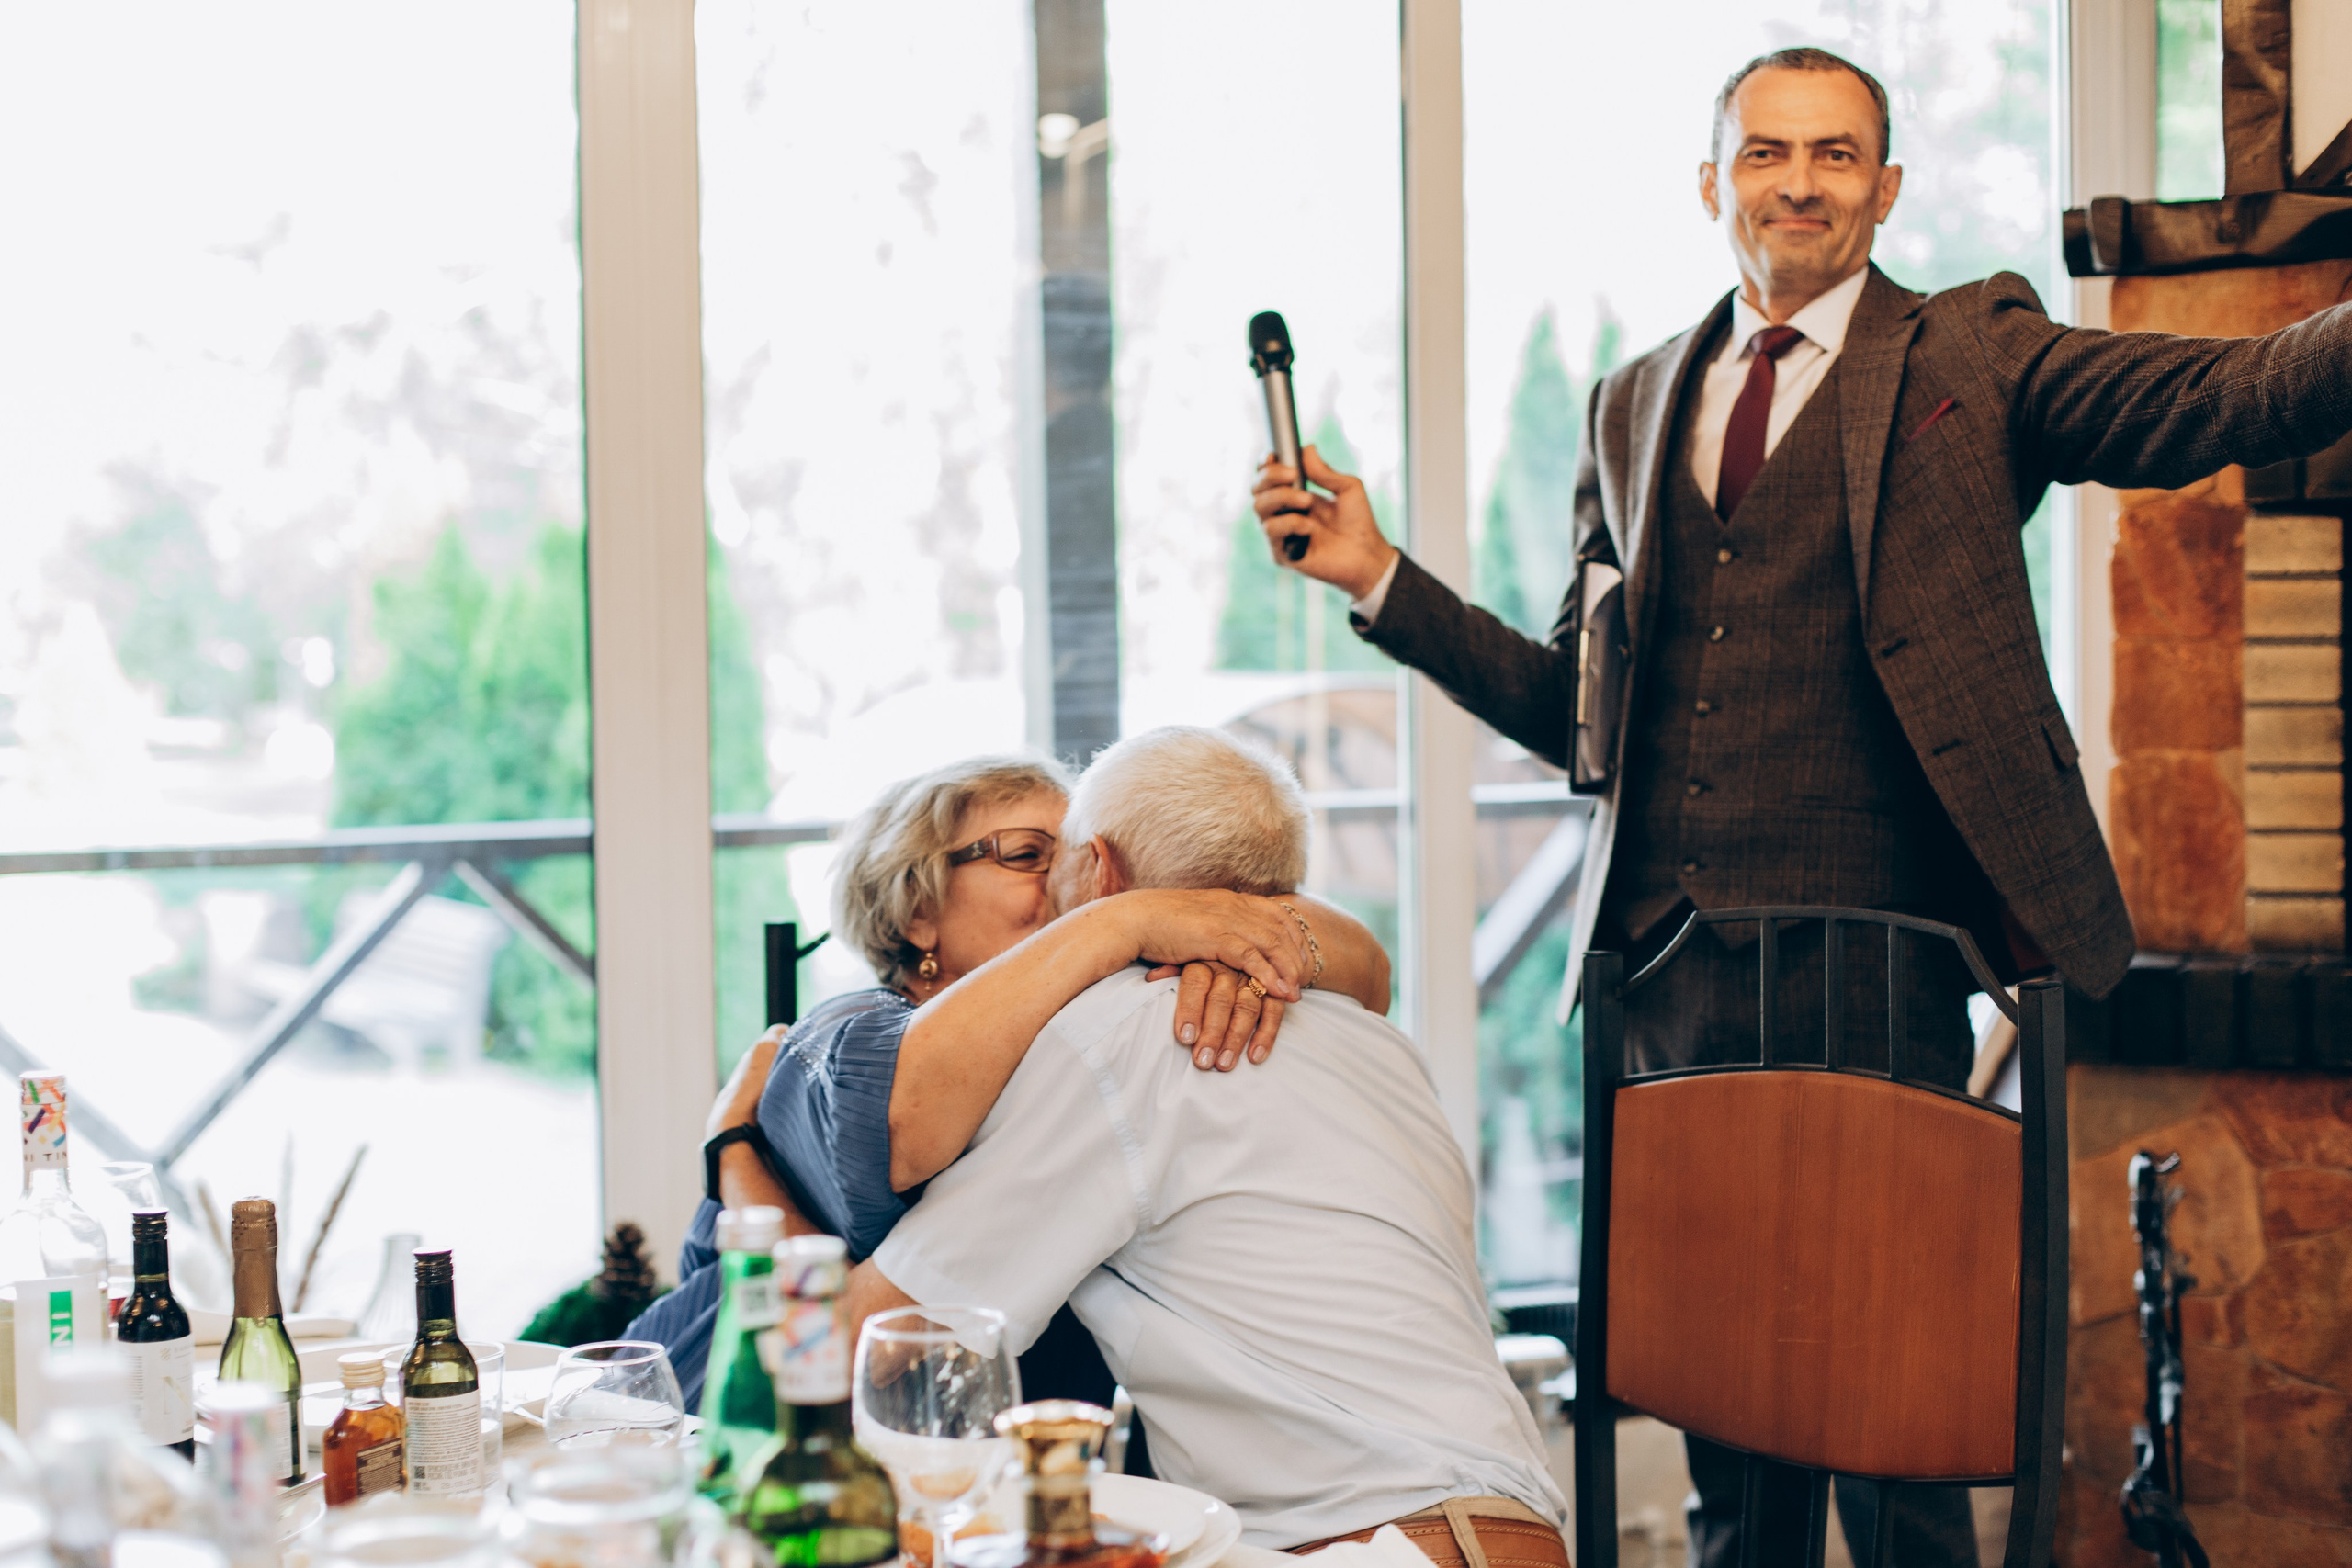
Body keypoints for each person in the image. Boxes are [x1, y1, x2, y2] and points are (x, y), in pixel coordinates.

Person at [1254, 45, 2352, 1568]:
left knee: (1897, 1439)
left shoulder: (1980, 351)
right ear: (1714, 185)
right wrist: (1379, 576)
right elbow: (1586, 721)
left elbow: (2214, 394)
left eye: (1837, 155)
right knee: (1732, 1451)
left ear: (1886, 190)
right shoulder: (1633, 403)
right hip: (1672, 983)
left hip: (1884, 976)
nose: (1801, 182)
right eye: (1766, 153)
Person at [843, 727, 1569, 1566]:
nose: (1048, 897)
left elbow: (892, 1328)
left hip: (1368, 1544)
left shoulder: (1123, 1037)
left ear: (1104, 873)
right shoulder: (1379, 1042)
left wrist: (744, 1173)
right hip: (1512, 1525)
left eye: (1059, 856)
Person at [628, 751, 1391, 1412]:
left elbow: (1368, 970)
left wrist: (1225, 928)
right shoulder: (846, 1033)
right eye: (1029, 854)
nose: (1066, 880)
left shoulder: (1112, 1039)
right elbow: (820, 1332)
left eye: (1077, 854)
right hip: (711, 1426)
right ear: (920, 910)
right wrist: (734, 1148)